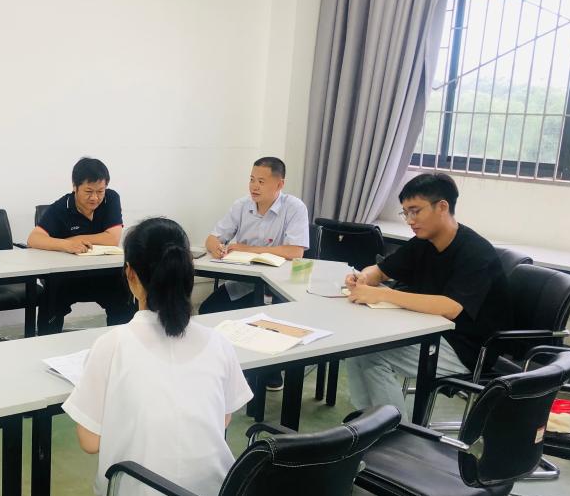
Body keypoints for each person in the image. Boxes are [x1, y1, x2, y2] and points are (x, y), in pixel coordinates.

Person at [63, 217, 252, 496]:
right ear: (188, 274)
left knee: (128, 470)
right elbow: (222, 421)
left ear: (130, 275)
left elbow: (90, 442)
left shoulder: (112, 344)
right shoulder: (218, 343)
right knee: (163, 462)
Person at [344, 172, 510, 417]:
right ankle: (367, 422)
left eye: (415, 211)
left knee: (372, 355)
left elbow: (450, 307)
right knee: (357, 347)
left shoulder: (475, 252)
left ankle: (392, 431)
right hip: (427, 331)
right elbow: (380, 270)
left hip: (465, 349)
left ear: (442, 207)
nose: (409, 220)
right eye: (405, 213)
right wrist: (363, 278)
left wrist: (381, 295)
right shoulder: (423, 242)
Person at [28, 157, 135, 334]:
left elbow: (112, 238)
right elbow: (34, 239)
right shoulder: (62, 207)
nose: (95, 198)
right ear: (74, 186)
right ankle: (46, 342)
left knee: (125, 292)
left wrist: (75, 238)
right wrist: (66, 245)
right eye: (88, 191)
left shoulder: (111, 198)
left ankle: (120, 341)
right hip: (68, 277)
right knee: (51, 297)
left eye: (100, 191)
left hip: (104, 275)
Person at [201, 156, 310, 314]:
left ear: (280, 184)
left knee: (262, 319)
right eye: (252, 180)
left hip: (278, 287)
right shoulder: (241, 205)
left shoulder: (295, 207)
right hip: (243, 284)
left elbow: (295, 252)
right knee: (207, 309)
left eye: (261, 182)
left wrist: (247, 249)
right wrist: (216, 248)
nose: (254, 186)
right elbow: (212, 239)